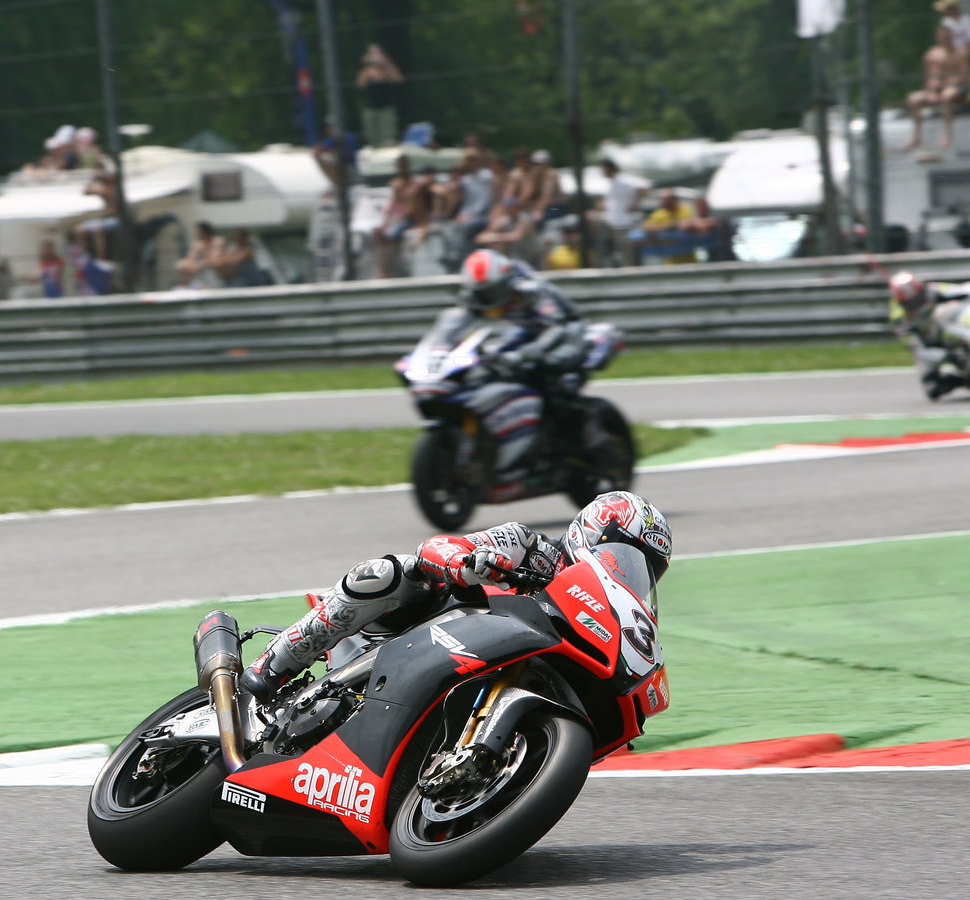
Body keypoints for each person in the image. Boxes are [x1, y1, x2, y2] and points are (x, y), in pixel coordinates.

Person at [240, 490, 672, 701]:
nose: (624, 569)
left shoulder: (599, 610)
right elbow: (438, 546)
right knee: (393, 572)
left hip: (484, 670)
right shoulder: (529, 546)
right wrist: (464, 562)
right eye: (619, 553)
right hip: (427, 627)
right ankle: (276, 661)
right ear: (590, 533)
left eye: (642, 570)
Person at [440, 248, 587, 497]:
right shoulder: (478, 292)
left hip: (564, 333)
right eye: (479, 293)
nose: (483, 298)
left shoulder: (530, 290)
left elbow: (557, 327)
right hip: (519, 337)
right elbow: (458, 322)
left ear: (504, 283)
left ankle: (576, 444)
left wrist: (529, 352)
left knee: (552, 374)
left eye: (488, 292)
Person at [888, 270, 970, 398]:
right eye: (912, 302)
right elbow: (919, 351)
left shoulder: (933, 289)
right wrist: (949, 356)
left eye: (919, 297)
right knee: (933, 389)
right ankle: (968, 379)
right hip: (929, 344)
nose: (918, 304)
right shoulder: (899, 320)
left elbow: (966, 289)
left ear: (921, 289)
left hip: (949, 327)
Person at [905, 25, 970, 151]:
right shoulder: (931, 54)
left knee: (946, 96)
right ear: (938, 37)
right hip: (937, 89)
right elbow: (928, 77)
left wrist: (942, 84)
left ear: (952, 37)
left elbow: (964, 77)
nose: (945, 38)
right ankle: (916, 136)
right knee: (913, 98)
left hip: (958, 87)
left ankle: (947, 134)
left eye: (947, 35)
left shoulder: (961, 53)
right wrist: (931, 92)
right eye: (942, 36)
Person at [596, 158, 649, 267]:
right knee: (618, 251)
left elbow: (643, 188)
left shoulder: (623, 180)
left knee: (626, 252)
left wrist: (634, 204)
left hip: (623, 223)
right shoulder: (612, 183)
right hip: (613, 222)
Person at [355, 44, 405, 147]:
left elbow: (399, 79)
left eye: (377, 54)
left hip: (386, 108)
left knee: (388, 139)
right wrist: (366, 66)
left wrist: (387, 63)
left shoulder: (388, 69)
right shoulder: (367, 71)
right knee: (372, 138)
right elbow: (360, 84)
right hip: (371, 109)